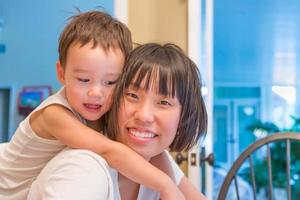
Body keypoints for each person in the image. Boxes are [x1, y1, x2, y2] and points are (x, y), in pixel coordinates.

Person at [0, 11, 183, 200]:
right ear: (61, 73)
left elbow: (156, 153)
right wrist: (165, 185)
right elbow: (110, 151)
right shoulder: (54, 114)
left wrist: (173, 185)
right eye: (84, 79)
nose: (96, 93)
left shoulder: (103, 110)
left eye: (111, 82)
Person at [27, 43, 208, 200]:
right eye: (132, 95)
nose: (144, 115)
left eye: (164, 102)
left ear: (184, 117)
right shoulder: (84, 169)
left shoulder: (154, 160)